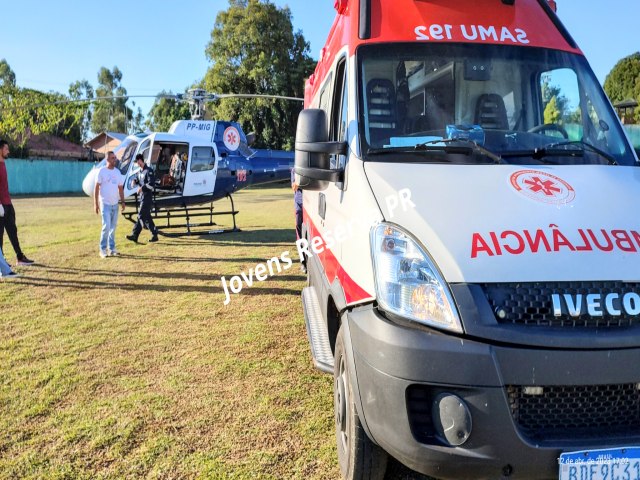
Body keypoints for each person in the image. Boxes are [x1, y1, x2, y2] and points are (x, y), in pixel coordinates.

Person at [0, 139, 35, 266]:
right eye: (6, 149)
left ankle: (20, 257)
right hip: (1, 205)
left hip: (8, 204)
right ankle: (1, 262)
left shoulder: (3, 164)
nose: (8, 151)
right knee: (0, 235)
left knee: (13, 231)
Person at [94, 151, 125, 258]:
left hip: (115, 204)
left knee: (113, 227)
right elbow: (96, 187)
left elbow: (120, 188)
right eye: (112, 158)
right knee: (106, 226)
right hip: (105, 204)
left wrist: (123, 202)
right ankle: (102, 249)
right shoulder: (101, 171)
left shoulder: (117, 172)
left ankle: (112, 249)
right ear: (107, 160)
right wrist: (96, 204)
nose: (115, 160)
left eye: (115, 158)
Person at [126, 154, 159, 243]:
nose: (136, 163)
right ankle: (155, 234)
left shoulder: (149, 171)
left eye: (136, 162)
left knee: (141, 216)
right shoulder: (139, 171)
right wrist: (134, 181)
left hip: (147, 198)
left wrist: (142, 188)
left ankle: (135, 235)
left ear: (140, 160)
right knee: (147, 218)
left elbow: (151, 184)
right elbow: (138, 180)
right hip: (142, 197)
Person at [291, 167, 306, 273]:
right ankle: (303, 262)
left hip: (311, 204)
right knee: (299, 234)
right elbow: (294, 186)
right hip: (299, 205)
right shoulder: (294, 170)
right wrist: (303, 180)